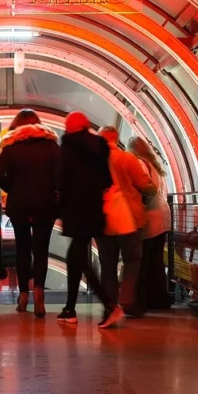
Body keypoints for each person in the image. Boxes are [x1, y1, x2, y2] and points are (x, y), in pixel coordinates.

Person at [56, 112, 124, 328]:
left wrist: (58, 206)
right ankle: (69, 309)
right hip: (94, 209)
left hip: (75, 210)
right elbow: (107, 179)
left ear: (69, 127)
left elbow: (61, 181)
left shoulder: (68, 147)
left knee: (80, 260)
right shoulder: (99, 146)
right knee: (76, 257)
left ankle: (110, 306)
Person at [0, 109, 60, 317]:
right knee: (41, 250)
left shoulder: (12, 147)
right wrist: (52, 189)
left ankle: (23, 296)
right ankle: (39, 292)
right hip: (45, 204)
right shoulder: (51, 146)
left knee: (23, 249)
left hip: (20, 204)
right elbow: (61, 172)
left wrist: (11, 186)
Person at [97, 126, 155, 317]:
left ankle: (111, 304)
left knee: (107, 263)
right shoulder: (127, 158)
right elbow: (146, 186)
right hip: (130, 218)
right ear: (116, 138)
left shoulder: (93, 161)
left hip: (103, 220)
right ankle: (127, 299)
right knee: (131, 260)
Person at [127, 136, 172, 312]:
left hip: (151, 217)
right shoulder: (155, 165)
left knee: (144, 260)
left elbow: (142, 189)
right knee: (156, 260)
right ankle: (159, 299)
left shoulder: (139, 164)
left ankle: (144, 300)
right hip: (164, 215)